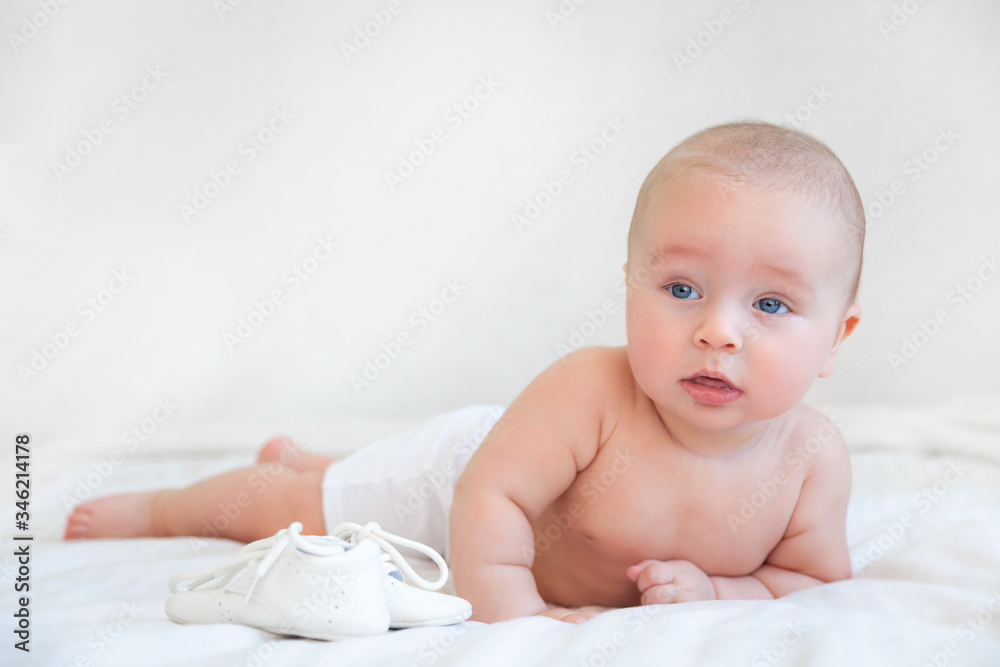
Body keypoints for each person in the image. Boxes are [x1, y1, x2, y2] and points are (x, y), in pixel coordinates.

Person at [65, 120, 863, 625]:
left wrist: (717, 592)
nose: (718, 330)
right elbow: (490, 495)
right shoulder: (591, 391)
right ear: (629, 284)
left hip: (492, 484)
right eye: (681, 289)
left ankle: (313, 461)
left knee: (332, 477)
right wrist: (513, 615)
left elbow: (807, 580)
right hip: (455, 480)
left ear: (836, 339)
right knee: (296, 508)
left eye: (772, 304)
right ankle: (169, 504)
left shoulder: (810, 460)